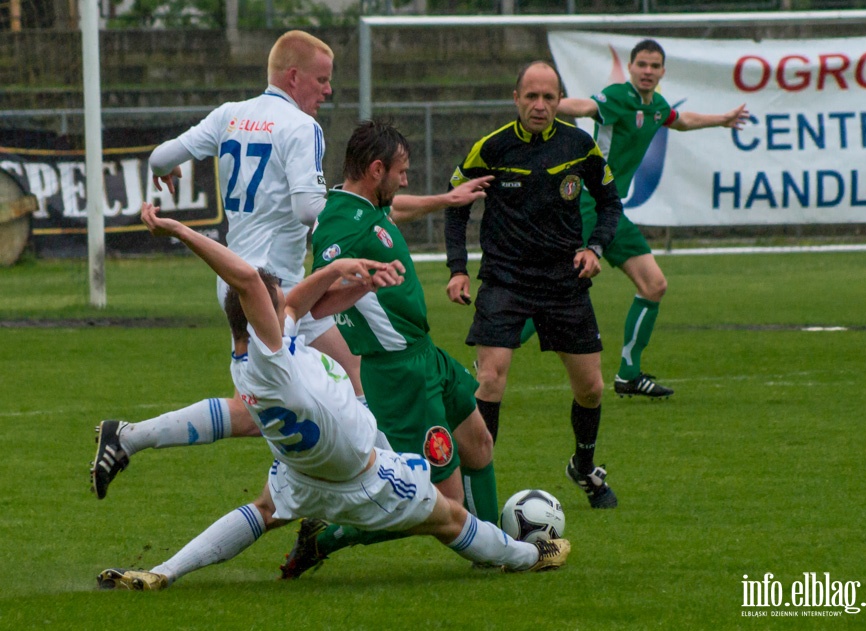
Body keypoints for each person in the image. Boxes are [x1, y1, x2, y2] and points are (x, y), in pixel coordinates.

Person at [90, 30, 491, 501]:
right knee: (274, 409)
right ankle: (393, 494)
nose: (327, 91)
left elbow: (160, 157)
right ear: (294, 76)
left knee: (347, 384)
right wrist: (350, 221)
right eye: (321, 80)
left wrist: (164, 171)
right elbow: (309, 209)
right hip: (270, 291)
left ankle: (390, 488)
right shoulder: (301, 128)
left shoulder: (230, 114)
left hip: (250, 284)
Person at [95, 201, 569, 591]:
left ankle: (163, 572)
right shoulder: (269, 360)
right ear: (260, 314)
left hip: (302, 477)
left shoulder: (253, 358)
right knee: (450, 518)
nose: (285, 301)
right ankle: (530, 554)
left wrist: (348, 275)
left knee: (262, 511)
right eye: (274, 298)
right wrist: (179, 229)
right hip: (361, 477)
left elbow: (298, 303)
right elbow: (245, 279)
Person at [278, 119, 500, 578]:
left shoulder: (365, 205)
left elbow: (396, 211)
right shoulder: (338, 223)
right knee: (445, 503)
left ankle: (496, 546)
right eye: (401, 171)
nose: (405, 180)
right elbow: (311, 302)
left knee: (479, 444)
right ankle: (329, 536)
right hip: (399, 375)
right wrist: (355, 283)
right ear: (376, 170)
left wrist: (446, 200)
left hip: (426, 354)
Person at [443, 61, 623, 510]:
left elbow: (609, 203)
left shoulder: (580, 146)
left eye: (549, 97)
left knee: (592, 389)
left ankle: (583, 467)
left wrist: (595, 250)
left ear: (560, 101)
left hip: (565, 281)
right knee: (490, 379)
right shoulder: (492, 148)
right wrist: (458, 269)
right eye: (531, 97)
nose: (540, 105)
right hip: (505, 280)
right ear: (516, 98)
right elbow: (455, 205)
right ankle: (475, 492)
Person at [540, 38, 750, 399]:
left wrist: (721, 120)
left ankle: (629, 375)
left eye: (655, 66)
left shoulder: (657, 107)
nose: (648, 71)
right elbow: (587, 106)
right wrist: (547, 103)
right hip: (588, 205)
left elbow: (680, 120)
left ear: (662, 72)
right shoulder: (618, 96)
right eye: (642, 65)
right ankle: (493, 357)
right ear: (632, 67)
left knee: (653, 285)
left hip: (610, 210)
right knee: (554, 289)